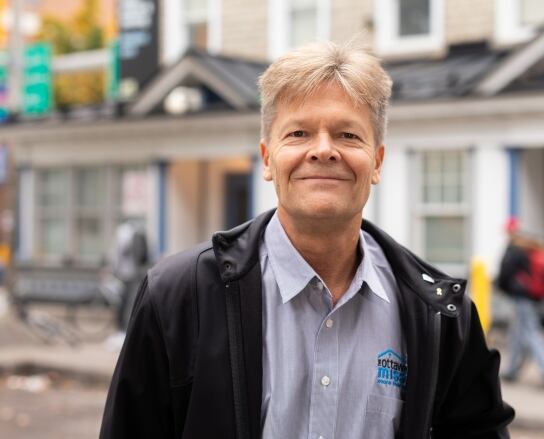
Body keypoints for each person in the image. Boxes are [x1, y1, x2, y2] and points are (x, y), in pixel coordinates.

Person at [100, 41, 514, 439]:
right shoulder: (178, 297)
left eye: (348, 135)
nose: (323, 150)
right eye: (298, 133)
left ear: (377, 162)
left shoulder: (441, 315)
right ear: (266, 158)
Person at [497, 217, 544, 388]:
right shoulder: (528, 248)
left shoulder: (514, 250)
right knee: (517, 333)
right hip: (529, 296)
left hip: (521, 297)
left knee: (531, 332)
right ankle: (511, 370)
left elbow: (505, 274)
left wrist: (500, 287)